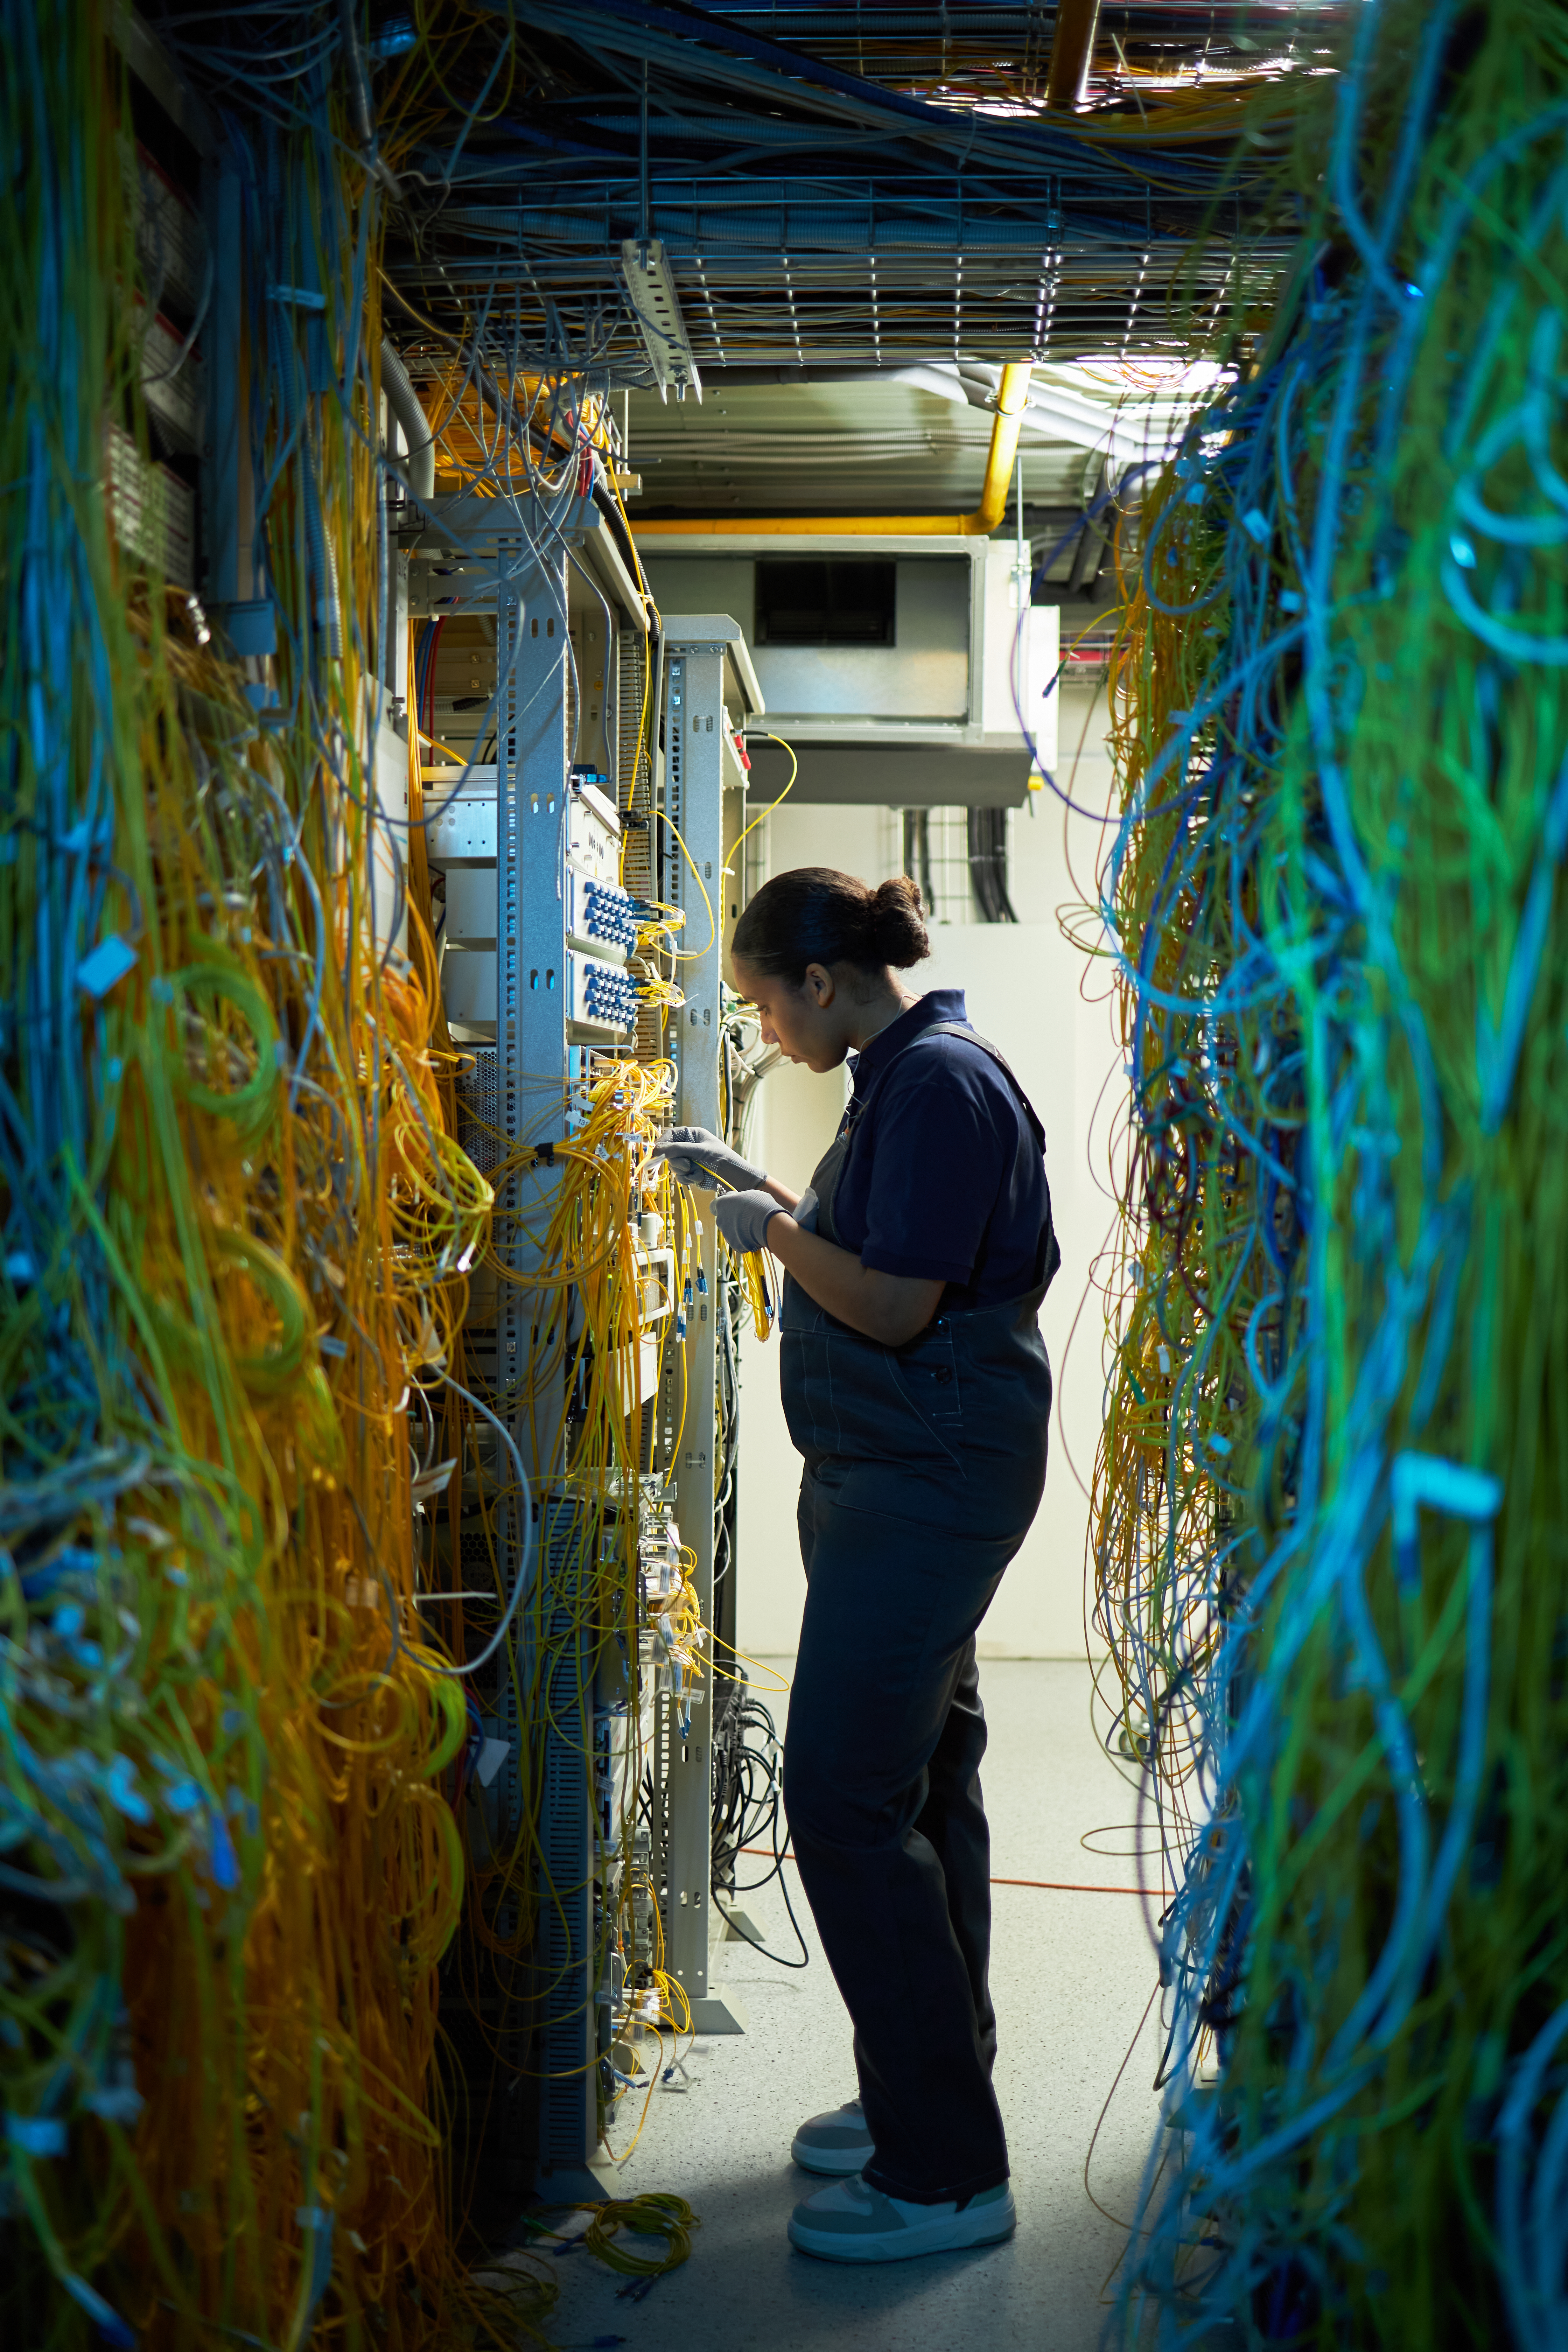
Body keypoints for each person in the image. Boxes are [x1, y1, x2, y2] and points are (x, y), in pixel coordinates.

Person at [652, 864, 1059, 2266]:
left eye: (765, 1003)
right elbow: (879, 1250)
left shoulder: (937, 1084)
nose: (765, 1029)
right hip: (900, 1475)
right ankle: (927, 2084)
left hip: (928, 1479)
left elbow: (890, 1304)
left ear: (820, 981)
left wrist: (763, 1231)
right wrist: (763, 1190)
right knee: (927, 1772)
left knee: (837, 1799)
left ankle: (946, 2173)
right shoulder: (898, 1078)